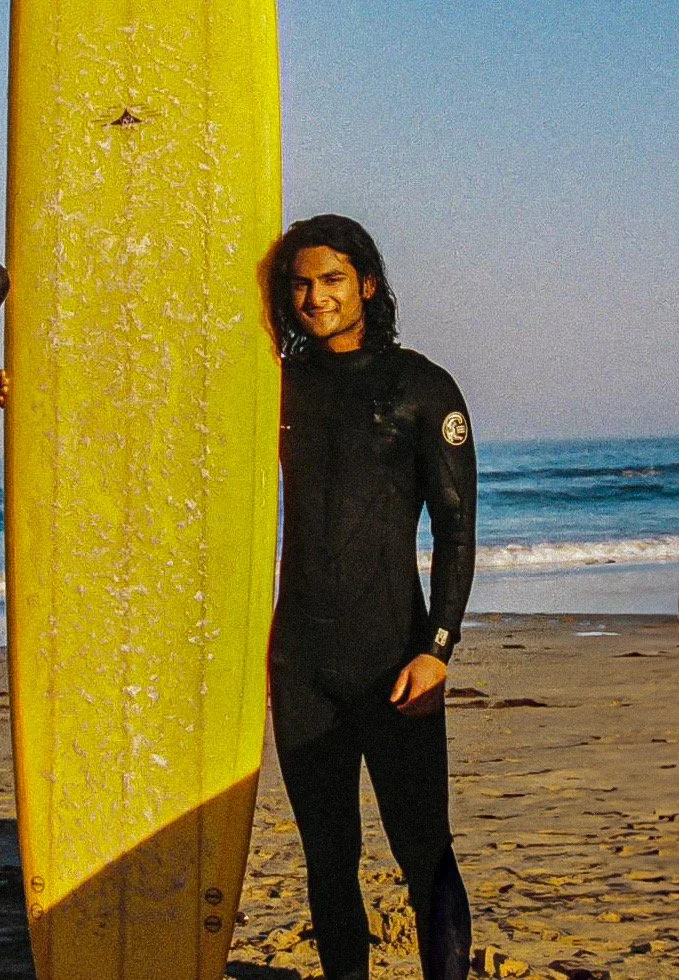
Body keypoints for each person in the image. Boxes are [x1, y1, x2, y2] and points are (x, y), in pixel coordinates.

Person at [266, 214, 477, 980]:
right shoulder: (272, 384)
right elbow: (163, 429)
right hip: (300, 665)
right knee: (328, 857)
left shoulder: (420, 386)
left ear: (367, 285)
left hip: (394, 657)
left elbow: (456, 529)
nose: (315, 297)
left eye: (330, 280)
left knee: (423, 848)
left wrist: (436, 650)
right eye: (300, 284)